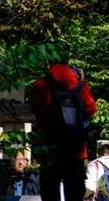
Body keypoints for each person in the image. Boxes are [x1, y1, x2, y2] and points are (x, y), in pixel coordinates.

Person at [29, 61, 97, 201]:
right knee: (74, 191)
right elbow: (92, 108)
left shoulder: (42, 85)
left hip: (51, 147)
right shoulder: (80, 85)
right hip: (76, 148)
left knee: (50, 189)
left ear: (48, 62)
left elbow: (36, 109)